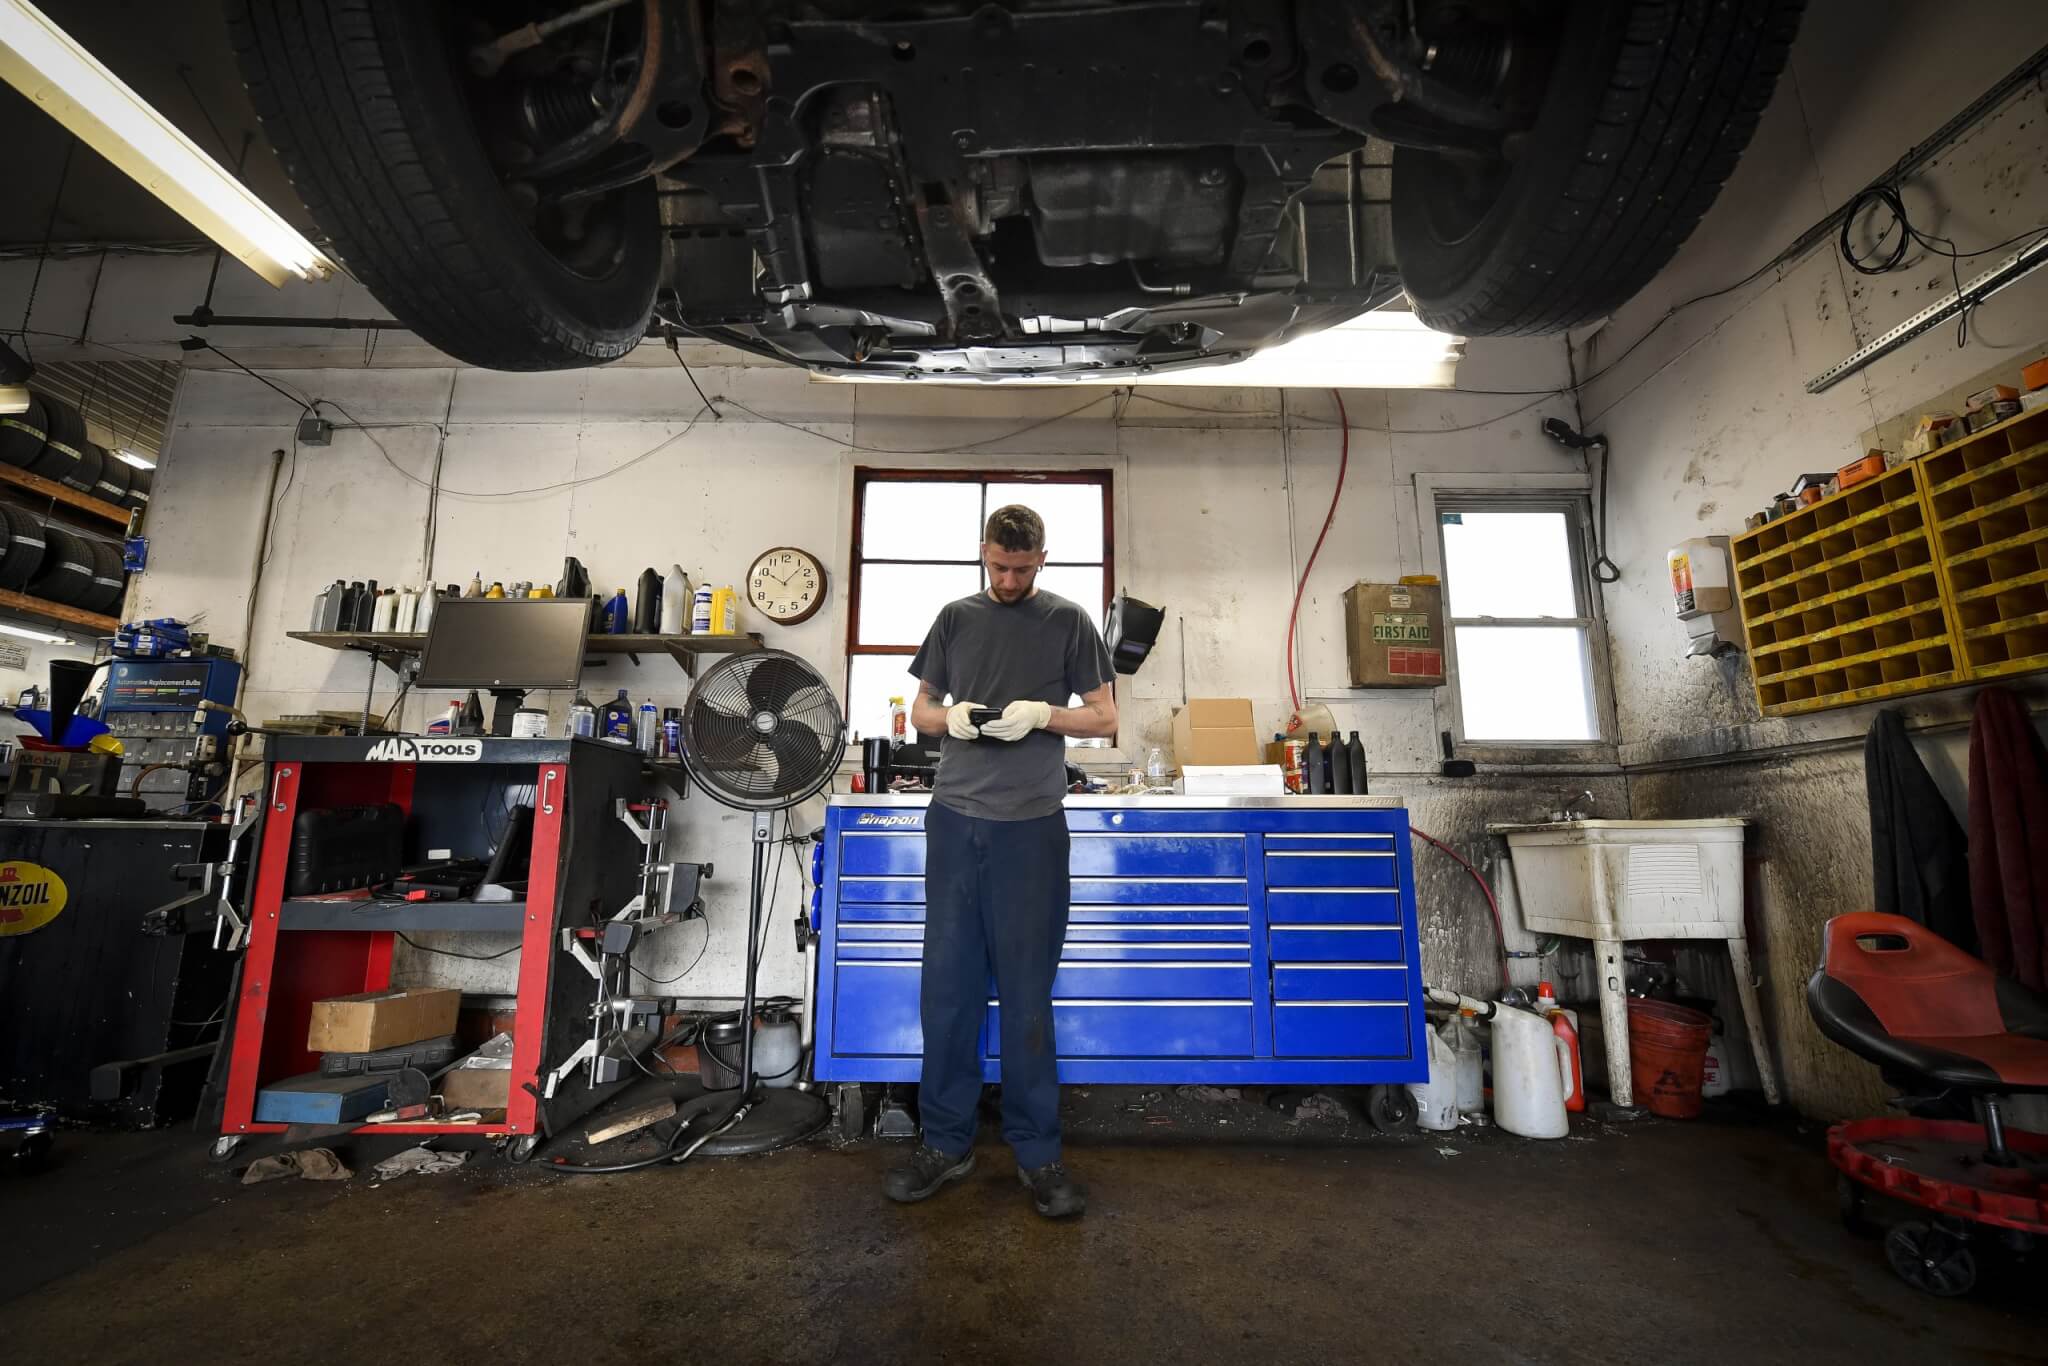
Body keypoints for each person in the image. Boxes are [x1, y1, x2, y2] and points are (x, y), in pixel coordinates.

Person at [883, 503, 1117, 1218]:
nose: (1008, 579)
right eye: (997, 566)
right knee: (947, 995)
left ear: (1042, 558)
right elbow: (920, 708)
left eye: (1021, 568)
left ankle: (1039, 1156)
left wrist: (1044, 714)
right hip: (955, 822)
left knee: (1025, 999)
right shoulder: (955, 617)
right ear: (984, 554)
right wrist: (946, 717)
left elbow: (1106, 718)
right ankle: (945, 1146)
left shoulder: (1069, 621)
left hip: (1032, 828)